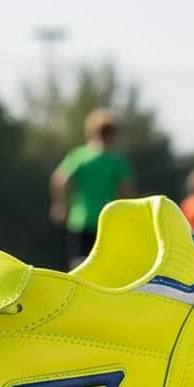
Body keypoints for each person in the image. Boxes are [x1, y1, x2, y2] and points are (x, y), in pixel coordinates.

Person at [51, 108, 134, 269]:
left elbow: (58, 181)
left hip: (79, 221)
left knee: (78, 268)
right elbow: (127, 193)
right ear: (112, 134)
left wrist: (59, 205)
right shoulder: (116, 161)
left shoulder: (79, 156)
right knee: (103, 269)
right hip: (106, 222)